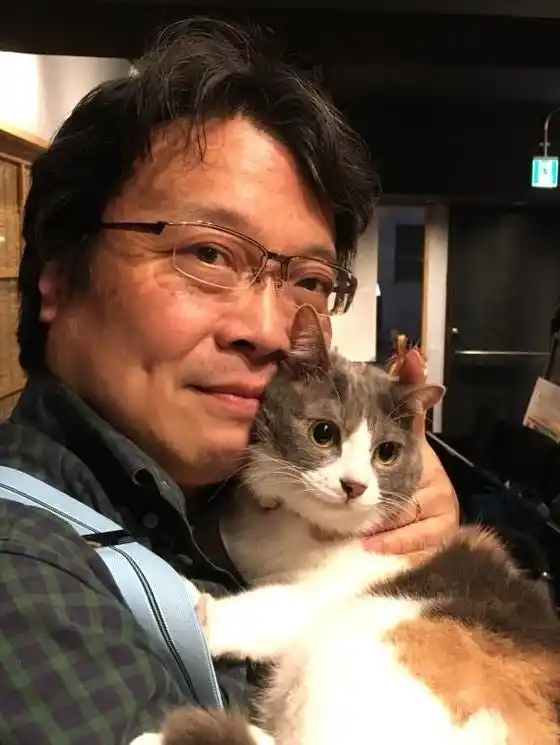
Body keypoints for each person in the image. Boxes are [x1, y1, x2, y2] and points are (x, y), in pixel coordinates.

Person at [0, 17, 458, 745]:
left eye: (309, 280)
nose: (271, 329)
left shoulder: (212, 501)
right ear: (58, 275)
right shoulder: (26, 579)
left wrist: (403, 549)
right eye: (208, 253)